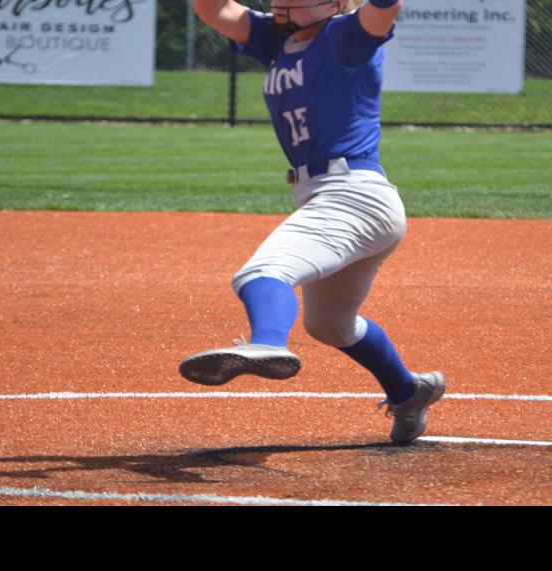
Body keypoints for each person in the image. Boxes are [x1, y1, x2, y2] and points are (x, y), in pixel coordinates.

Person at [179, 0, 444, 446]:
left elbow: (386, 7)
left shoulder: (346, 36)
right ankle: (409, 393)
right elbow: (212, 8)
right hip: (330, 197)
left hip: (353, 194)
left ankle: (266, 343)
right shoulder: (275, 38)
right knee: (330, 326)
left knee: (261, 273)